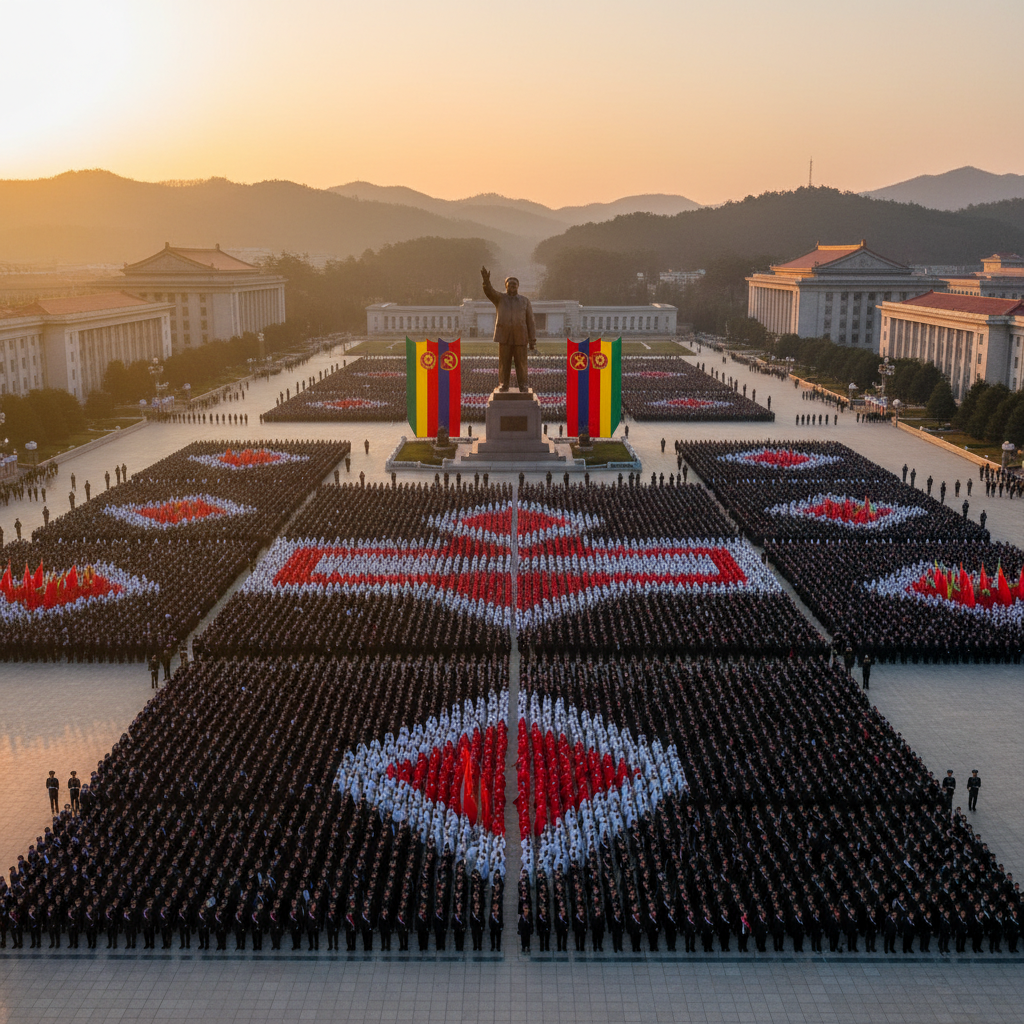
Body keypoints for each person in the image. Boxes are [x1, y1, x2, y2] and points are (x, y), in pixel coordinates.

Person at [481, 265, 536, 392]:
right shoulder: (500, 298)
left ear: (518, 286)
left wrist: (532, 340)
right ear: (506, 286)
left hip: (520, 337)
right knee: (504, 363)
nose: (512, 286)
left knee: (521, 363)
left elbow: (530, 321)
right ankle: (503, 384)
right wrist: (486, 281)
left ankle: (523, 384)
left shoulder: (524, 301)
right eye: (510, 284)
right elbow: (489, 291)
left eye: (514, 284)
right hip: (504, 336)